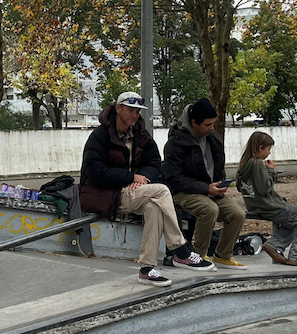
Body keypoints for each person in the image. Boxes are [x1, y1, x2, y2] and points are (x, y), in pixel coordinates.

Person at [80, 92, 215, 287]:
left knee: (154, 207)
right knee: (161, 191)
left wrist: (143, 178)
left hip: (134, 191)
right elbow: (95, 173)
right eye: (130, 110)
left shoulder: (140, 133)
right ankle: (180, 249)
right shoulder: (99, 136)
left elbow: (154, 161)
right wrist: (131, 177)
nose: (135, 116)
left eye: (137, 112)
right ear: (118, 108)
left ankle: (146, 269)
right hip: (105, 194)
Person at [163, 98, 248, 269]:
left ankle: (223, 255)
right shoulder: (176, 143)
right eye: (207, 125)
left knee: (237, 214)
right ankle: (198, 255)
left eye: (213, 124)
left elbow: (217, 162)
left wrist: (219, 183)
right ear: (194, 123)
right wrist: (205, 189)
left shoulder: (212, 136)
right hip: (181, 192)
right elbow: (174, 178)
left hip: (210, 189)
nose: (211, 128)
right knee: (209, 210)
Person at [236, 132, 297, 267]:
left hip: (254, 205)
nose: (269, 153)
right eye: (268, 149)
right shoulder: (258, 164)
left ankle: (275, 246)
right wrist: (270, 171)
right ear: (260, 148)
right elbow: (264, 189)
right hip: (270, 206)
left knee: (295, 221)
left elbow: (240, 188)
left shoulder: (243, 164)